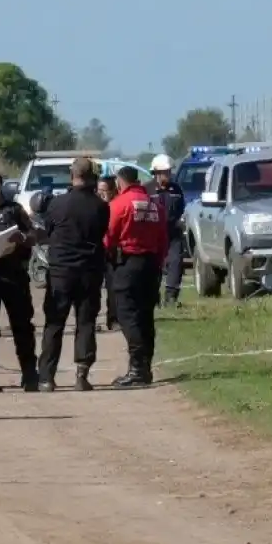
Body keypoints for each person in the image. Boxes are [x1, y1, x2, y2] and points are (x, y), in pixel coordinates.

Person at [36, 158, 109, 392]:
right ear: (92, 177)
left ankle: (47, 377)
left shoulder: (57, 204)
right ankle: (82, 375)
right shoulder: (100, 206)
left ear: (72, 175)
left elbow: (47, 232)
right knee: (86, 322)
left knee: (54, 323)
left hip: (60, 272)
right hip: (89, 270)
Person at [106, 165, 168, 387]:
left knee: (127, 316)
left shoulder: (119, 204)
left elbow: (109, 236)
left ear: (120, 181)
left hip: (128, 264)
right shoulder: (155, 204)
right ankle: (145, 368)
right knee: (145, 317)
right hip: (151, 264)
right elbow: (163, 238)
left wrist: (108, 257)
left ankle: (137, 369)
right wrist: (159, 264)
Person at [0, 169, 39, 391]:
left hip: (14, 275)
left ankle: (29, 373)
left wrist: (23, 238)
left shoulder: (14, 209)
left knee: (23, 326)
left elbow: (34, 235)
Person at [144, 154, 186, 306]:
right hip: (153, 234)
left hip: (172, 233)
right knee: (153, 266)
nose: (168, 175)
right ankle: (153, 297)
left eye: (169, 171)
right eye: (165, 172)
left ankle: (171, 297)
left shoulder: (176, 189)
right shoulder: (146, 189)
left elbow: (181, 208)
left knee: (176, 262)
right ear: (156, 172)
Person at [97, 175, 119, 331]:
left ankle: (113, 318)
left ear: (112, 191)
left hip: (111, 250)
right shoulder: (94, 206)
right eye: (98, 190)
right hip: (95, 250)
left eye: (104, 190)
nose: (101, 194)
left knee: (112, 286)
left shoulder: (116, 207)